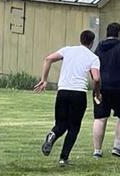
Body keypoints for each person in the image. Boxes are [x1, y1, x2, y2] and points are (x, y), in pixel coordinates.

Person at [34, 30, 102, 167]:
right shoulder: (93, 57)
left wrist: (44, 80)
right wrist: (97, 92)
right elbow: (96, 78)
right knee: (73, 128)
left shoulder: (67, 50)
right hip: (78, 93)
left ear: (80, 39)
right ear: (92, 42)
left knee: (60, 124)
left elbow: (48, 59)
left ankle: (52, 135)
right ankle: (63, 158)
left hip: (63, 91)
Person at [92, 22, 120, 158]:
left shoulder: (99, 47)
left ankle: (97, 150)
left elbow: (93, 65)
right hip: (118, 87)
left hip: (101, 86)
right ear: (119, 33)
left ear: (107, 33)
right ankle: (117, 146)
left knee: (100, 118)